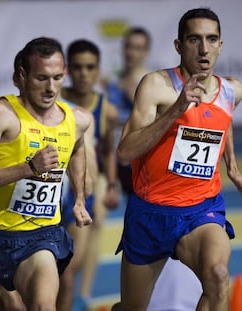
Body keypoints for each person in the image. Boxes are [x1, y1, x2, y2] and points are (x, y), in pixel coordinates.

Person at [0, 37, 93, 311]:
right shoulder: (2, 114)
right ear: (23, 76)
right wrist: (29, 169)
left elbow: (77, 147)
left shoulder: (78, 120)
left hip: (41, 236)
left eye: (57, 78)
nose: (51, 88)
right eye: (41, 78)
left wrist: (80, 198)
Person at [113, 7, 242, 310]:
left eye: (211, 39)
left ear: (221, 45)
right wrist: (176, 109)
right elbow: (124, 152)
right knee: (132, 307)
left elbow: (221, 120)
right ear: (179, 45)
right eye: (194, 39)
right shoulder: (156, 86)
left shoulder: (231, 90)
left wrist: (232, 164)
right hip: (151, 214)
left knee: (218, 276)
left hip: (202, 210)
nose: (204, 49)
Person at [57, 39, 119, 311]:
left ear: (97, 70)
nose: (84, 74)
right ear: (69, 69)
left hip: (85, 184)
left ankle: (82, 295)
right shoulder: (54, 99)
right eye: (78, 67)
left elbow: (107, 151)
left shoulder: (107, 111)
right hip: (54, 184)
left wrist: (112, 186)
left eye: (90, 67)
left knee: (72, 264)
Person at [105, 26, 151, 195]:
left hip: (139, 159)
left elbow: (159, 120)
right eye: (128, 46)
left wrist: (135, 96)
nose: (131, 52)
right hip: (113, 156)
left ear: (146, 52)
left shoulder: (152, 82)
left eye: (137, 48)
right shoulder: (113, 81)